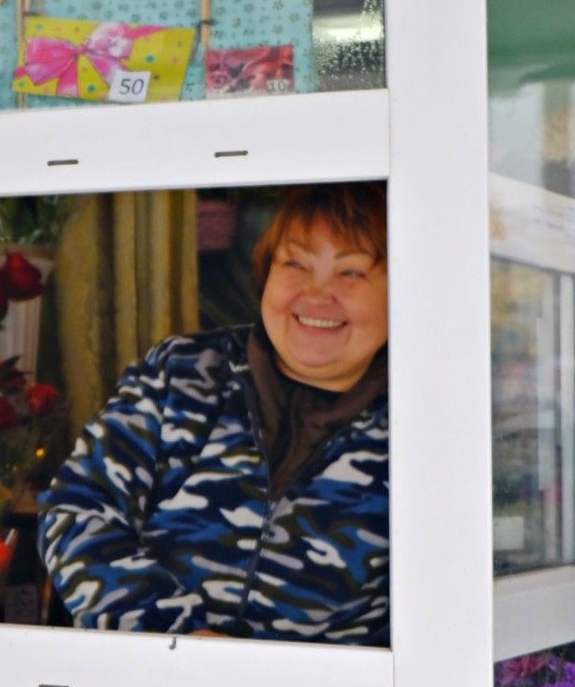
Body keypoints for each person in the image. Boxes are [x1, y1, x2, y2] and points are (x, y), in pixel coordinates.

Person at [39, 182, 390, 645]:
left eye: (351, 273)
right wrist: (176, 637)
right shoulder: (181, 374)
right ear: (266, 273)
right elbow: (77, 508)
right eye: (296, 264)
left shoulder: (418, 426)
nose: (316, 294)